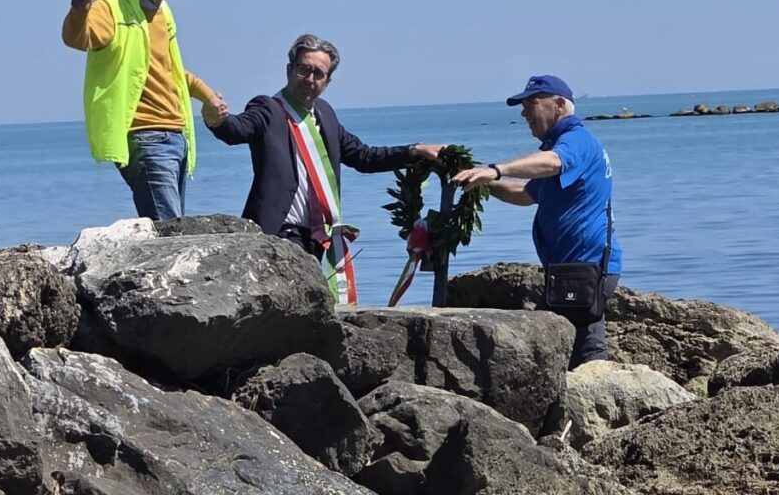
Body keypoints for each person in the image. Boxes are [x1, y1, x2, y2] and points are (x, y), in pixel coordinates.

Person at [205, 33, 443, 304]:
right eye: (304, 69)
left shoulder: (326, 115)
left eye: (318, 74)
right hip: (279, 232)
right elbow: (237, 129)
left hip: (320, 239)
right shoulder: (268, 108)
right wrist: (217, 120)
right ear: (289, 70)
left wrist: (414, 151)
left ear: (327, 82)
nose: (310, 79)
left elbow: (364, 157)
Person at [451, 75, 622, 368]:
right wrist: (481, 182)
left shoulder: (576, 140)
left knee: (576, 351)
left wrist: (496, 170)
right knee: (571, 347)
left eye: (531, 104)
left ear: (558, 106)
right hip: (570, 269)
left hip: (585, 268)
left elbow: (553, 161)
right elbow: (526, 193)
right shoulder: (560, 147)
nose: (524, 113)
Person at [62, 0, 228, 221]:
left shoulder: (163, 13)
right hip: (146, 136)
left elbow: (170, 71)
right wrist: (79, 11)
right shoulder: (110, 6)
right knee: (170, 233)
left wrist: (209, 96)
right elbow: (80, 38)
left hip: (177, 136)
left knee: (172, 229)